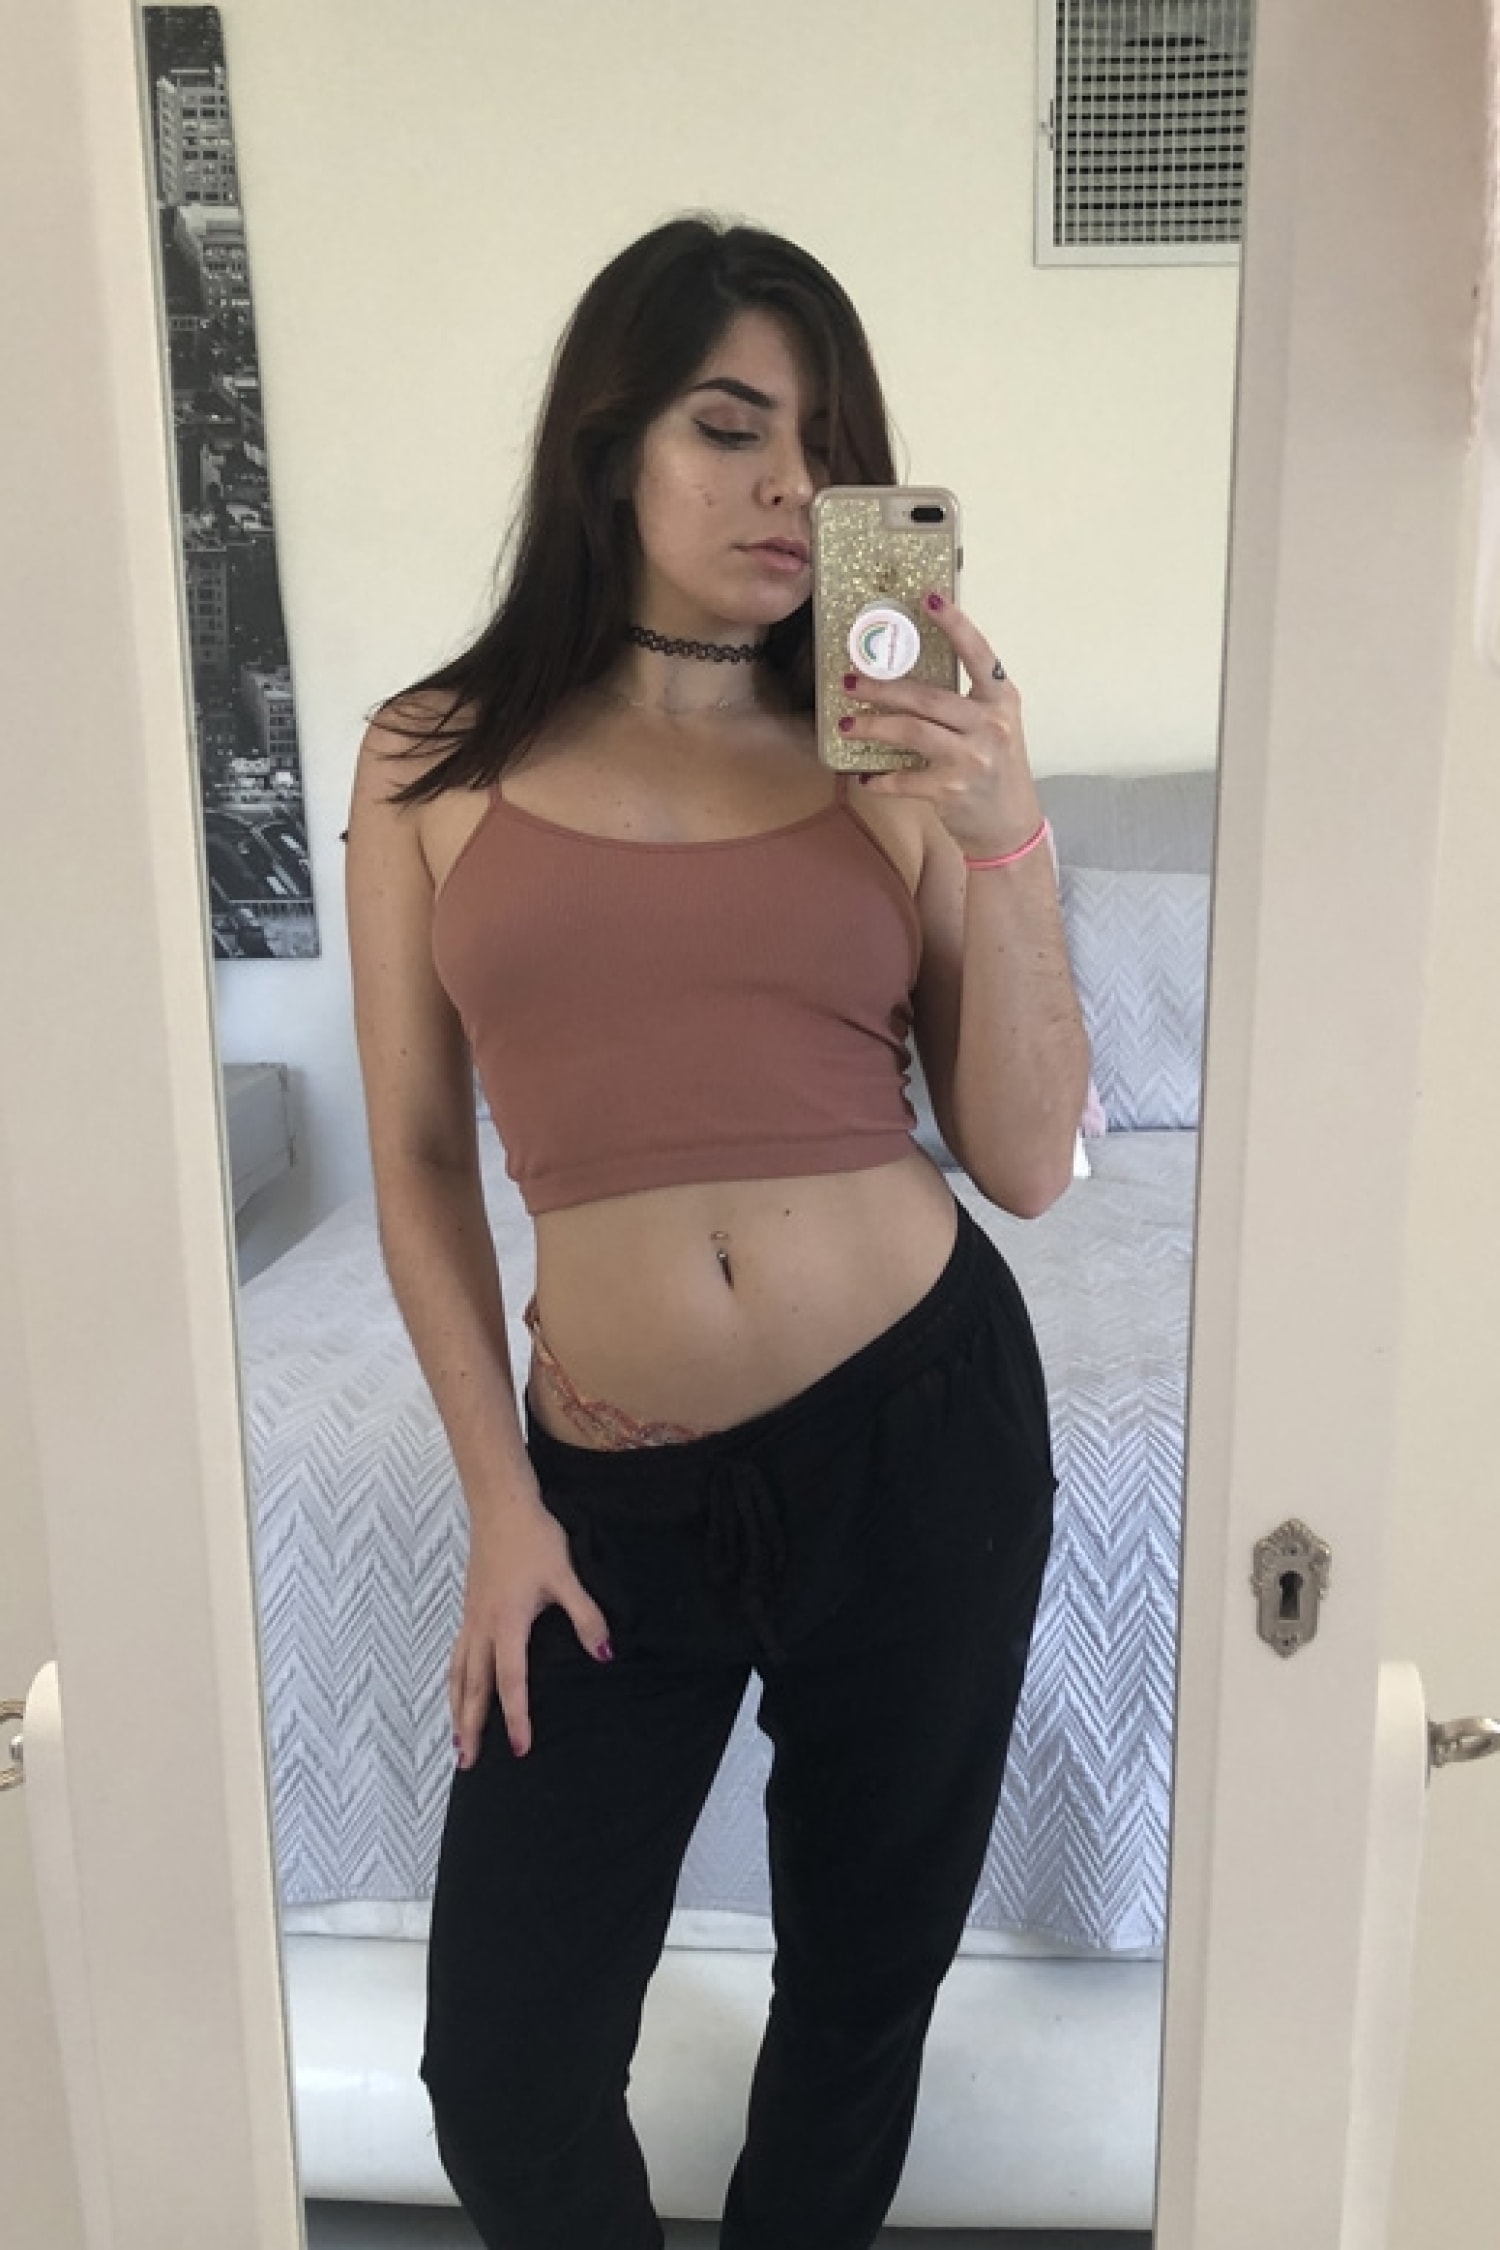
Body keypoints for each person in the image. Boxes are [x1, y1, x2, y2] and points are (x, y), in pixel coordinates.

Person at [344, 213, 1090, 2250]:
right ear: (611, 452)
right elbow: (415, 1156)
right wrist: (500, 1500)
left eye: (826, 445)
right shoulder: (430, 755)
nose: (791, 488)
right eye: (733, 426)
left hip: (921, 1439)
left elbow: (1027, 1158)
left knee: (854, 2012)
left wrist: (1007, 829)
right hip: (607, 1498)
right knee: (504, 2074)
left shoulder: (891, 760)